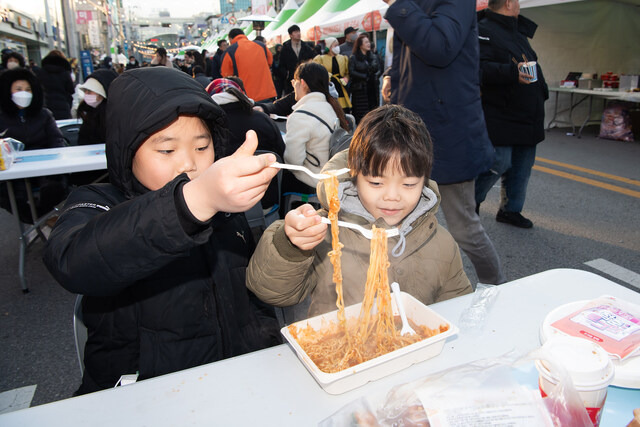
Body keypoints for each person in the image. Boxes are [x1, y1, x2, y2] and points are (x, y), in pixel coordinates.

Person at [42, 66, 281, 395]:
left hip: (236, 385)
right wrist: (189, 204)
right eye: (167, 150)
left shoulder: (224, 211)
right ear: (127, 149)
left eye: (202, 147)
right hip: (143, 397)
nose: (188, 164)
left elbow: (253, 299)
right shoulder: (98, 202)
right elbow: (73, 260)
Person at [247, 104, 472, 320]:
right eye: (376, 182)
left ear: (424, 181)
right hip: (337, 350)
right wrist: (291, 245)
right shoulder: (325, 231)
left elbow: (457, 307)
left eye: (409, 184)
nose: (392, 196)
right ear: (355, 178)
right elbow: (272, 292)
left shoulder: (439, 241)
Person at [384, 0, 505, 285]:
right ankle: (414, 294)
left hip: (450, 134)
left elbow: (439, 47)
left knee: (464, 228)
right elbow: (416, 56)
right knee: (405, 224)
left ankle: (496, 288)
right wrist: (394, 78)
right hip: (414, 131)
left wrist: (400, 5)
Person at [474, 0, 549, 229]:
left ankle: (510, 210)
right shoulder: (483, 30)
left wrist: (542, 92)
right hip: (502, 113)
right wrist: (510, 72)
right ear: (508, 3)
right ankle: (469, 202)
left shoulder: (517, 30)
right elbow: (478, 69)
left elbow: (532, 66)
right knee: (498, 162)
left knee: (522, 166)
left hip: (528, 113)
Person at [206, 77, 285, 209]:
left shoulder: (207, 127)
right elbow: (282, 155)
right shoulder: (263, 119)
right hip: (267, 201)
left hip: (222, 208)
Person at [0, 68, 67, 223]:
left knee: (54, 188)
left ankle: (39, 221)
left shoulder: (44, 115)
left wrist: (53, 159)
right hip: (13, 174)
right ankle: (39, 221)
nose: (23, 93)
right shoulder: (2, 118)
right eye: (18, 89)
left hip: (45, 170)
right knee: (8, 195)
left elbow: (57, 140)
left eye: (28, 89)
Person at [283, 62, 349, 194]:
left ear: (302, 83)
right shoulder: (329, 107)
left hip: (315, 180)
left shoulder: (301, 115)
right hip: (333, 176)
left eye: (293, 82)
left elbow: (293, 162)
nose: (293, 86)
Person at [221, 28, 276, 103]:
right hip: (268, 93)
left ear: (230, 39)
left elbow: (226, 75)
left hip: (246, 97)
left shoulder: (230, 51)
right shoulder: (261, 46)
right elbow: (270, 62)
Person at [76, 69, 119, 145]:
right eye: (85, 90)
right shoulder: (88, 114)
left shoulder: (118, 118)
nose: (86, 94)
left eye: (89, 91)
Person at [349, 34, 383, 124]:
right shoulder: (354, 58)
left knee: (374, 114)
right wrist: (364, 76)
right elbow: (351, 72)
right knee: (361, 116)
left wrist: (376, 76)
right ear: (360, 45)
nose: (369, 44)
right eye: (366, 42)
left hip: (373, 89)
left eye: (369, 42)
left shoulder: (373, 56)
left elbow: (379, 69)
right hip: (360, 90)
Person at [314, 37, 351, 113]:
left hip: (341, 86)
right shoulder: (321, 58)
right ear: (329, 47)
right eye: (335, 45)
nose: (337, 47)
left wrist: (346, 78)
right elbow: (317, 71)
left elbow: (347, 73)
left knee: (343, 109)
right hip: (328, 86)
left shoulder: (343, 58)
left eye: (338, 45)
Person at [34, 50, 74, 120]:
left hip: (45, 105)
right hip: (63, 106)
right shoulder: (65, 73)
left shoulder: (40, 73)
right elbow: (71, 90)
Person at [278, 25, 315, 96]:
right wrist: (286, 75)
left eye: (299, 31)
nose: (298, 33)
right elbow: (281, 64)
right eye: (295, 32)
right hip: (291, 79)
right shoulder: (285, 48)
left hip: (305, 77)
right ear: (290, 35)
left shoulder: (306, 46)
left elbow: (312, 58)